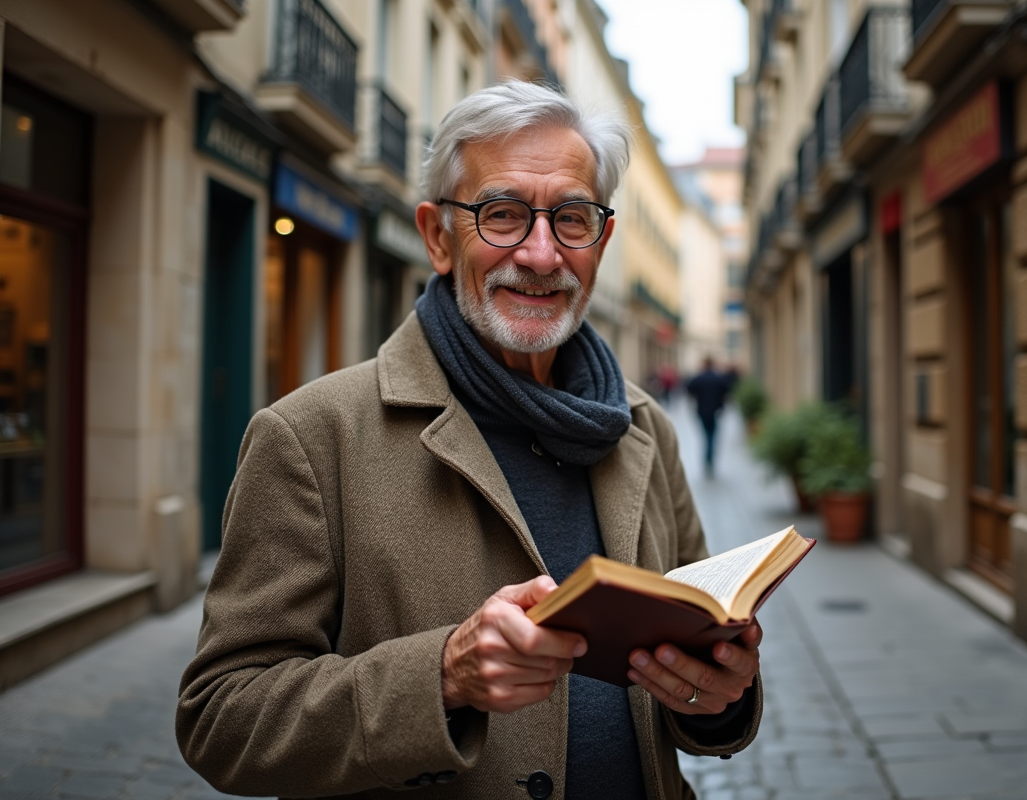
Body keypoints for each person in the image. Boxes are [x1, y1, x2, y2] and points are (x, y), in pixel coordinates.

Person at [176, 81, 763, 799]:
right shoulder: (311, 435)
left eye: (571, 219)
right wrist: (443, 676)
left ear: (600, 243)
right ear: (437, 236)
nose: (542, 255)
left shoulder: (643, 427)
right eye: (503, 214)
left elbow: (693, 682)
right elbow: (222, 719)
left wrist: (716, 694)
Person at [686, 357, 733, 478]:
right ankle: (710, 460)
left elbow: (689, 389)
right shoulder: (718, 378)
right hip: (715, 411)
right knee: (711, 436)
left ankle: (707, 460)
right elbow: (727, 391)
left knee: (706, 435)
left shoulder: (699, 378)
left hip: (702, 411)